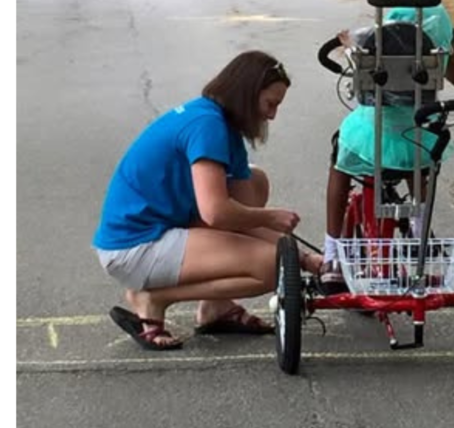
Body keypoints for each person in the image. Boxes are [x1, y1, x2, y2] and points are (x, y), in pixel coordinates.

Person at [93, 50, 323, 350]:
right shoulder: (208, 127)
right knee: (274, 265)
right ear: (248, 94)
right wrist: (272, 221)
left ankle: (217, 307)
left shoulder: (219, 122)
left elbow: (239, 216)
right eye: (270, 104)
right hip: (134, 247)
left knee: (254, 182)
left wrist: (306, 259)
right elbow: (216, 213)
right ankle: (153, 298)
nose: (272, 115)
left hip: (163, 227)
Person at [319, 0, 454, 294]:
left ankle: (332, 250)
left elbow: (369, 54)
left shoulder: (392, 23)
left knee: (340, 158)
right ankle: (419, 230)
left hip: (378, 126)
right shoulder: (440, 19)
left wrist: (350, 42)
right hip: (419, 130)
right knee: (417, 159)